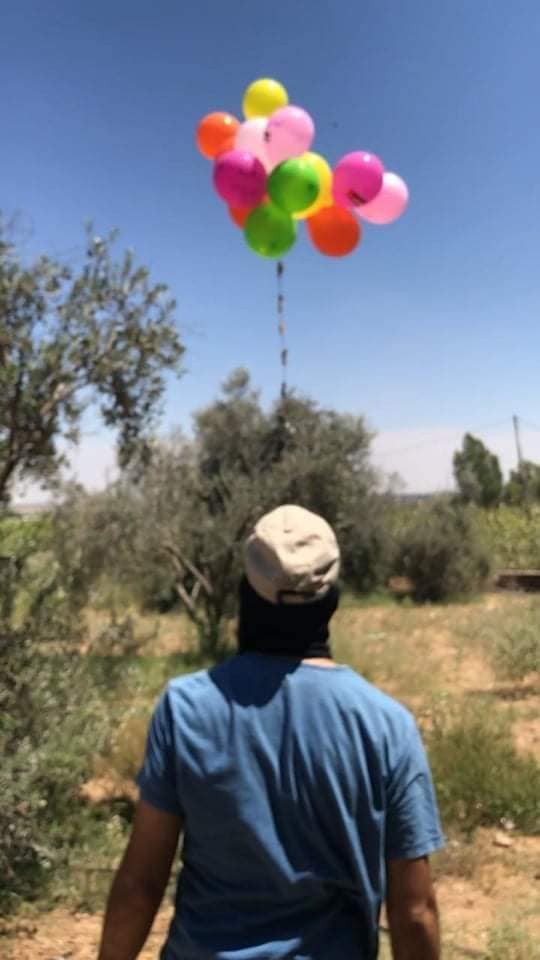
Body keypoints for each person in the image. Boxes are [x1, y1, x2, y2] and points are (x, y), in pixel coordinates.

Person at [98, 504, 444, 960]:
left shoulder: (186, 709)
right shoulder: (385, 725)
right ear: (333, 601)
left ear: (246, 595)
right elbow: (415, 911)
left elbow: (140, 887)